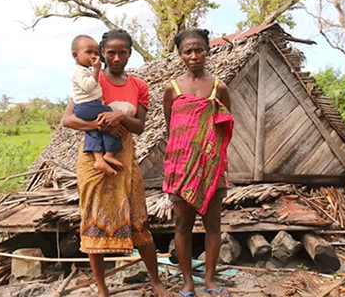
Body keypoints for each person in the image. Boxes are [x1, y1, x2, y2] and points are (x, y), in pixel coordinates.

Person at [62, 29, 172, 297]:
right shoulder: (91, 79)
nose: (116, 57)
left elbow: (140, 127)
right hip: (92, 158)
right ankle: (102, 288)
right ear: (102, 53)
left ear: (130, 53)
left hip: (124, 156)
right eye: (110, 52)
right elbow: (68, 119)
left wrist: (119, 119)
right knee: (93, 220)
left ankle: (156, 283)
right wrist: (99, 124)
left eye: (122, 52)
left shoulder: (138, 86)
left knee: (138, 219)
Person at [162, 28, 234, 297]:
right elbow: (173, 128)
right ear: (180, 54)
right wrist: (186, 157)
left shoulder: (219, 88)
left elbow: (224, 124)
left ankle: (211, 280)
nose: (193, 55)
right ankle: (187, 282)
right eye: (187, 51)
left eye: (199, 49)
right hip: (180, 170)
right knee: (182, 226)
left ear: (208, 51)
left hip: (212, 169)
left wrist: (209, 157)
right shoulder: (173, 88)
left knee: (212, 224)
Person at [70, 34, 123, 176]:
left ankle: (99, 159)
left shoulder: (85, 71)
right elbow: (87, 87)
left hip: (86, 107)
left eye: (96, 52)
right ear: (75, 55)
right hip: (86, 106)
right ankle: (110, 152)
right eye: (89, 52)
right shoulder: (79, 71)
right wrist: (96, 70)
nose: (93, 56)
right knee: (108, 114)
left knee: (93, 131)